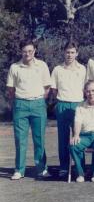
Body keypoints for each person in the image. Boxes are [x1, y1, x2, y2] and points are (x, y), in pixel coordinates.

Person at [6, 40, 52, 180]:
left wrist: (37, 99)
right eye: (25, 51)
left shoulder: (42, 65)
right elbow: (10, 89)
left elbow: (47, 88)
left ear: (35, 51)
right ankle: (19, 170)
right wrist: (21, 100)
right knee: (20, 139)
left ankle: (41, 169)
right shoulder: (15, 67)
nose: (27, 54)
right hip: (20, 105)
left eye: (30, 51)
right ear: (21, 51)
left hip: (38, 104)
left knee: (39, 139)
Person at [50, 42, 86, 178]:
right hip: (63, 104)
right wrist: (61, 101)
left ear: (77, 53)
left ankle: (80, 167)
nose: (70, 55)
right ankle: (64, 167)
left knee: (79, 137)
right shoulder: (57, 69)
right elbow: (54, 89)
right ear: (63, 53)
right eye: (67, 52)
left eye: (72, 52)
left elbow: (85, 88)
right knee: (63, 138)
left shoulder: (82, 69)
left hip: (78, 104)